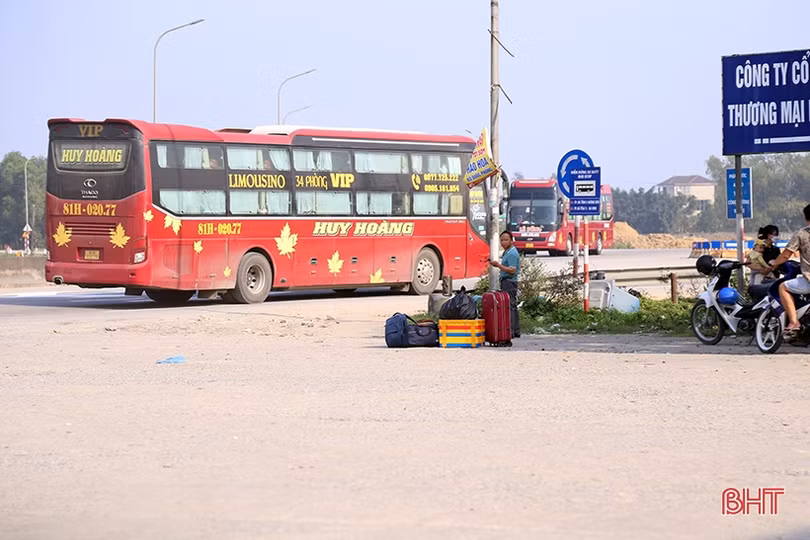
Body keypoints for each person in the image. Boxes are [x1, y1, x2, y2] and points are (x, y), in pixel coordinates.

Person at [766, 205, 810, 337]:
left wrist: (774, 263)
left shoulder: (801, 234)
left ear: (806, 218)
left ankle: (794, 322)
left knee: (783, 287)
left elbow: (785, 256)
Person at [489, 231, 521, 338]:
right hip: (506, 281)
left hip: (509, 282)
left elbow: (512, 270)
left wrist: (498, 265)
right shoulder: (507, 252)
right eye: (502, 240)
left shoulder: (512, 253)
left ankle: (511, 330)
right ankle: (515, 330)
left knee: (510, 306)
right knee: (512, 305)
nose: (503, 242)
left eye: (506, 240)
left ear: (511, 241)